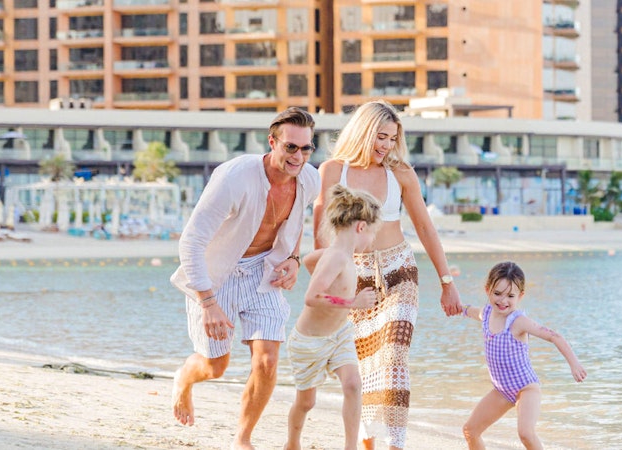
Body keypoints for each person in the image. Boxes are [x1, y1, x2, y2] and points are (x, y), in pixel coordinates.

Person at [309, 100, 463, 450]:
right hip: (352, 278)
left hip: (399, 273)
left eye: (392, 138)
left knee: (393, 357)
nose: (386, 145)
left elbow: (425, 227)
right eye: (381, 137)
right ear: (363, 132)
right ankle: (368, 439)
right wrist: (326, 284)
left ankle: (395, 443)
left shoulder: (401, 174)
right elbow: (321, 233)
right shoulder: (332, 171)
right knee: (363, 366)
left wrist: (447, 282)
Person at [169, 107, 321, 450]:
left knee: (267, 361)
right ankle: (183, 378)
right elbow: (190, 242)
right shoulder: (234, 177)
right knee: (215, 366)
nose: (298, 156)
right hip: (216, 275)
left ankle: (243, 438)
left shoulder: (309, 179)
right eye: (291, 147)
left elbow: (296, 221)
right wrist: (208, 302)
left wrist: (294, 258)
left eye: (306, 148)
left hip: (262, 273)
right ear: (272, 142)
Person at [284, 184, 382, 450]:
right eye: (372, 233)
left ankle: (351, 447)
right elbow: (311, 297)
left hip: (339, 335)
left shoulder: (337, 255)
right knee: (306, 402)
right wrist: (353, 302)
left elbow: (308, 260)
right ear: (361, 227)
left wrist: (331, 288)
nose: (371, 241)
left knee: (353, 385)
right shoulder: (336, 257)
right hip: (310, 342)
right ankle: (292, 443)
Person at [460, 261, 587, 450]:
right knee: (470, 430)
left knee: (526, 433)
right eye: (497, 293)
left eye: (510, 296)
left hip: (526, 388)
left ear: (520, 296)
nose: (503, 301)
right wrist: (457, 307)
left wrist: (574, 364)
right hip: (502, 390)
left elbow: (554, 336)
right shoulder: (486, 314)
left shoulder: (518, 322)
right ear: (488, 290)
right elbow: (468, 310)